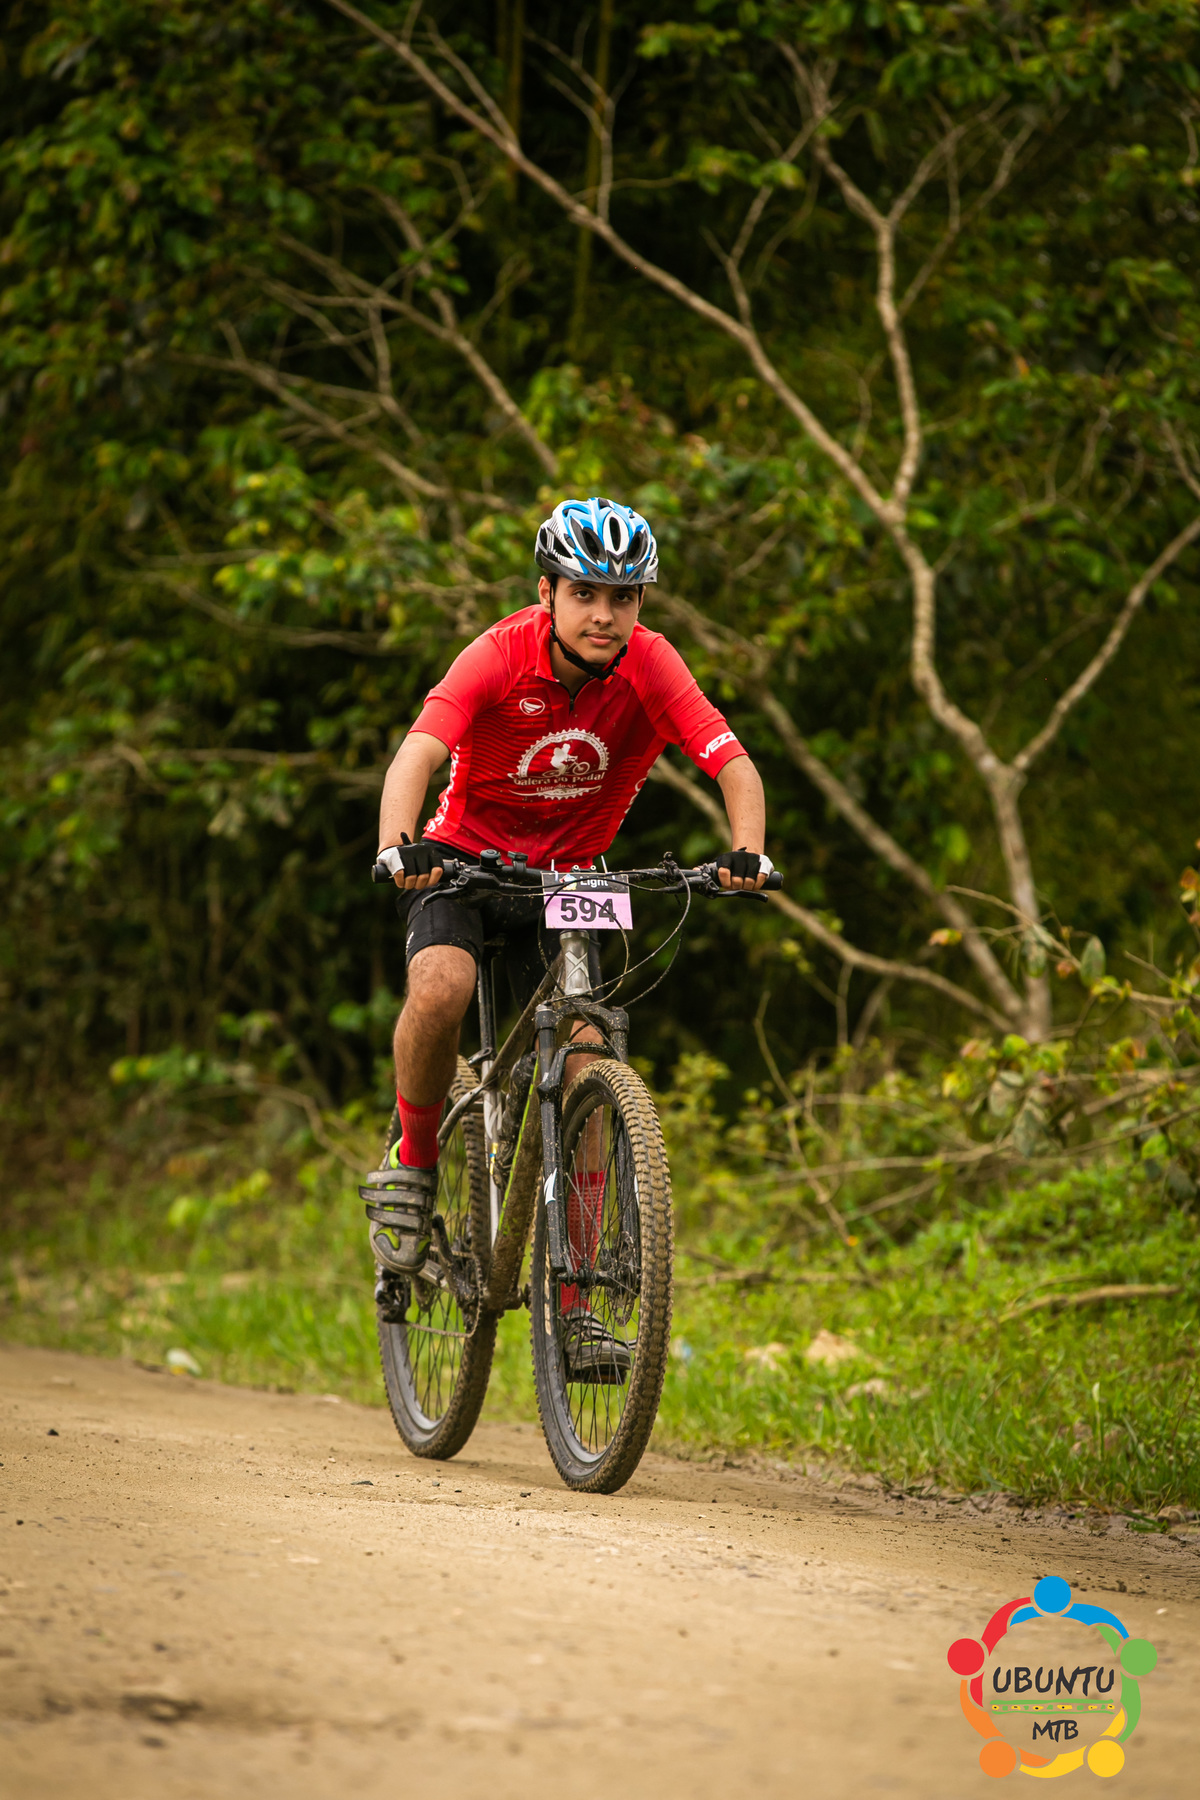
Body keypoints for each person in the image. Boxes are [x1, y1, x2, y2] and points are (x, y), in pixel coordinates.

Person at [366, 496, 772, 1376]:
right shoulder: (498, 653)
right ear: (546, 591)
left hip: (571, 878)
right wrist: (401, 847)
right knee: (441, 988)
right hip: (462, 863)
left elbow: (732, 762)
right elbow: (418, 753)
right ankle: (415, 1158)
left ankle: (579, 1308)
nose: (604, 615)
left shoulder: (652, 664)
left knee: (586, 1058)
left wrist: (747, 852)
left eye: (623, 597)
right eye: (585, 593)